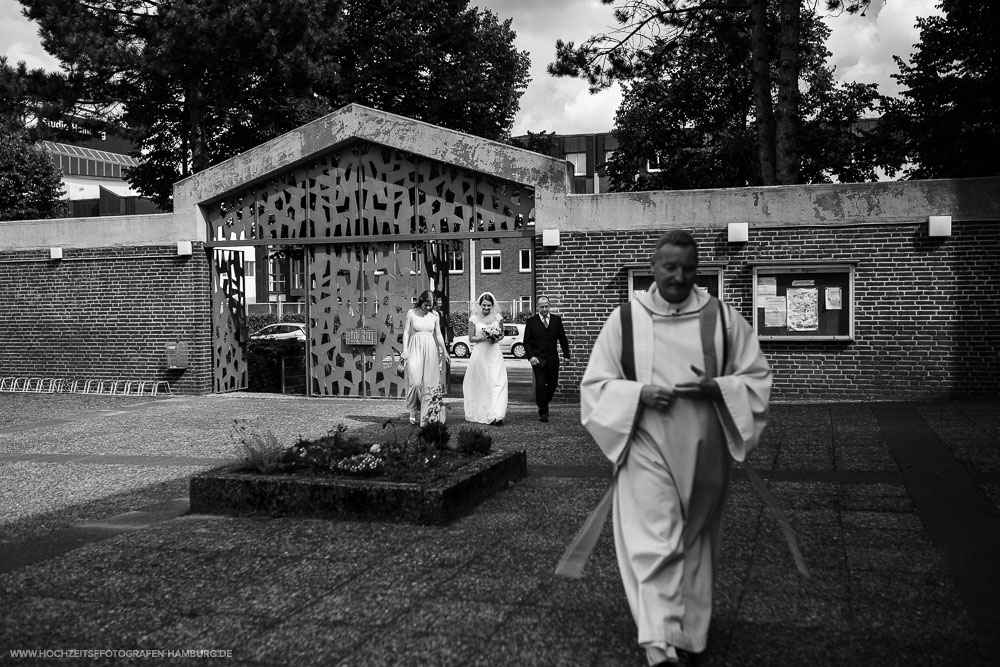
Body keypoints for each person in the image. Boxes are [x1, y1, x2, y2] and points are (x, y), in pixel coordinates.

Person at [572, 230, 772, 666]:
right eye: (670, 267)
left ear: (697, 269)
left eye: (688, 268)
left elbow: (757, 376)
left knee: (696, 543)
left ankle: (686, 631)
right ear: (653, 267)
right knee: (656, 540)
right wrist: (638, 395)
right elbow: (594, 386)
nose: (679, 277)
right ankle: (658, 640)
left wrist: (718, 387)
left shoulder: (722, 319)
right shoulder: (625, 319)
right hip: (646, 447)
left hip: (705, 452)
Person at [400, 289, 450, 425]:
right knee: (415, 382)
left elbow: (438, 334)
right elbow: (405, 332)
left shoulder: (434, 315)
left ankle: (428, 412)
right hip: (414, 348)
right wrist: (404, 350)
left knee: (429, 383)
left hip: (430, 349)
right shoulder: (411, 313)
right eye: (426, 305)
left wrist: (444, 351)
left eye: (431, 305)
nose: (428, 308)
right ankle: (412, 409)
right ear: (421, 301)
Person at [522, 296, 571, 422]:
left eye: (546, 306)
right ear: (537, 307)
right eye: (541, 306)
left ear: (549, 306)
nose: (544, 309)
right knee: (540, 385)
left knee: (553, 384)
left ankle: (544, 401)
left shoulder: (556, 320)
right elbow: (526, 342)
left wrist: (566, 355)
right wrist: (531, 356)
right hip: (538, 360)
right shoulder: (531, 322)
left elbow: (562, 338)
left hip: (553, 359)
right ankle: (543, 411)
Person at [462, 291, 508, 425]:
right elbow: (471, 338)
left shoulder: (498, 317)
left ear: (492, 305)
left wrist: (495, 337)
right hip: (480, 353)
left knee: (497, 381)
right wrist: (485, 336)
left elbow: (501, 335)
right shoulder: (473, 319)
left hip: (494, 352)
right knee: (482, 383)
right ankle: (482, 412)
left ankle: (497, 414)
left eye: (489, 305)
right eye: (484, 305)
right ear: (480, 305)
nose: (486, 308)